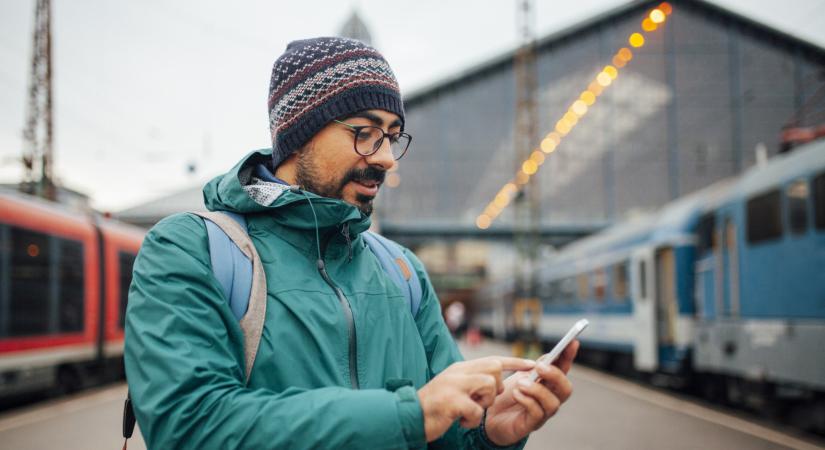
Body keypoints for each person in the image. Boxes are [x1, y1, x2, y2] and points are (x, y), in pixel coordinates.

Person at [124, 36, 579, 450]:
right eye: (365, 132)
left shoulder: (402, 271)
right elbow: (189, 426)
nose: (384, 158)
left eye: (394, 137)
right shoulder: (190, 250)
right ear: (300, 134)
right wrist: (409, 415)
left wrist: (488, 433)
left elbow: (448, 431)